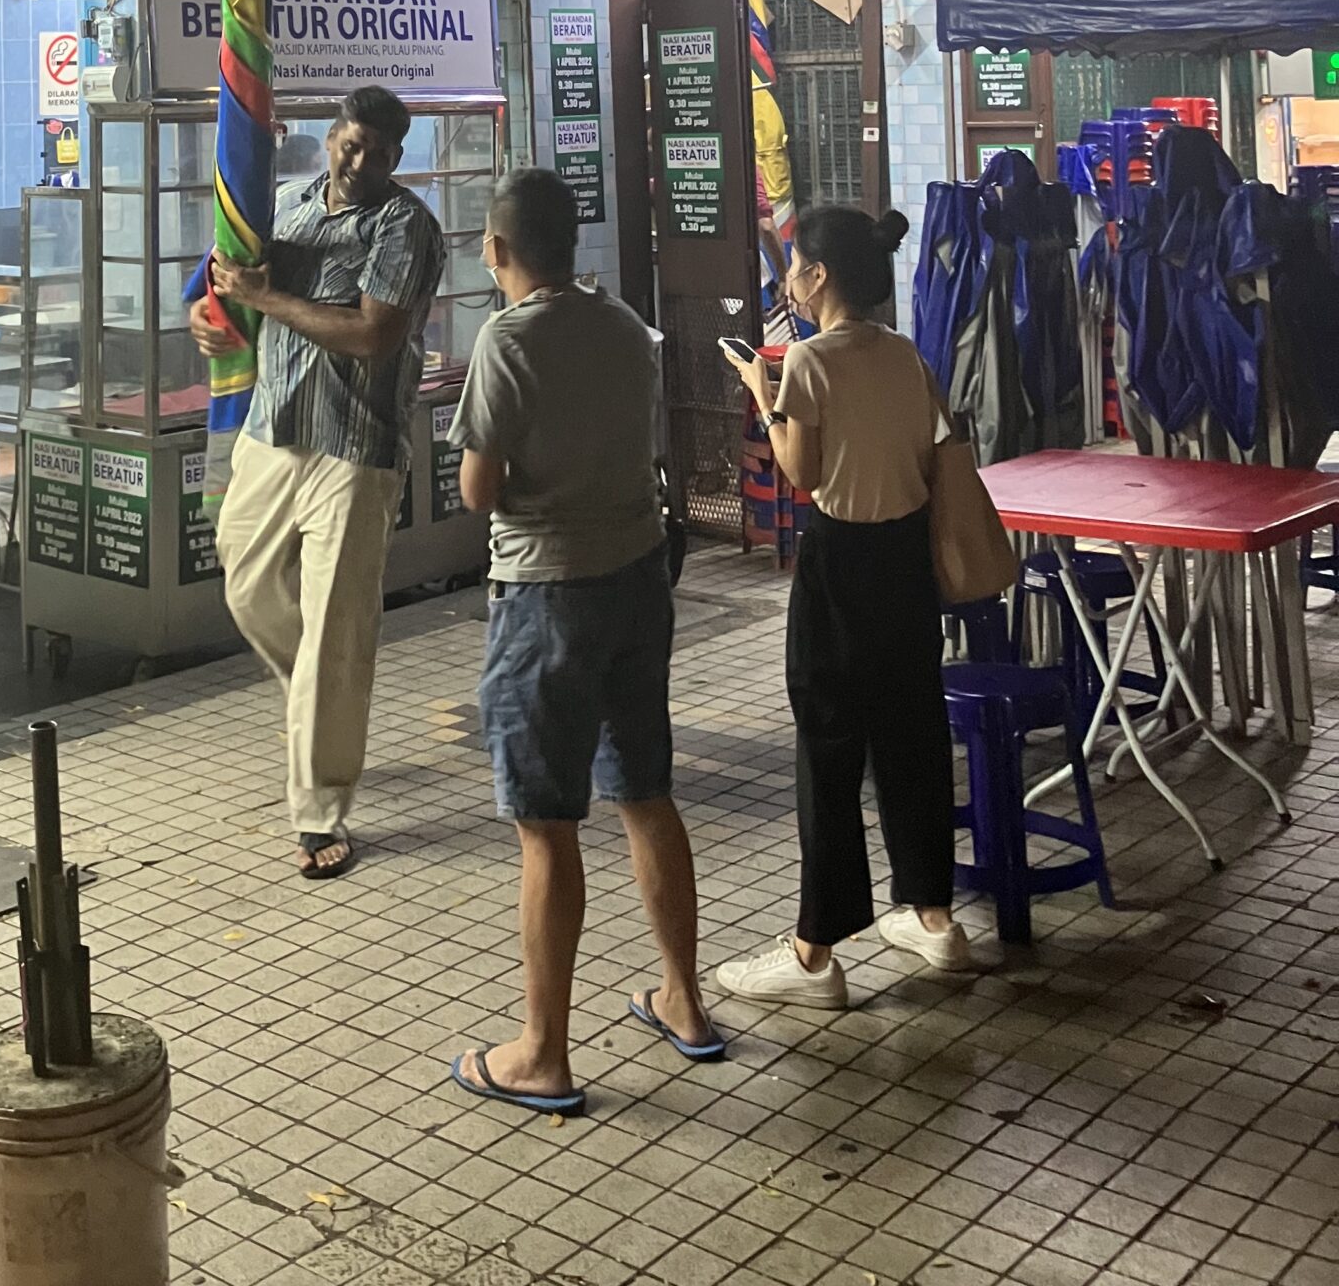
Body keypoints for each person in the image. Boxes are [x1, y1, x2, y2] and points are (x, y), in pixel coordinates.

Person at [447, 167, 718, 1118]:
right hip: (639, 578)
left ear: (497, 250)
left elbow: (480, 487)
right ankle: (684, 998)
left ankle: (543, 1054)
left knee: (546, 823)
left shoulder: (507, 339)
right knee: (646, 793)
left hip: (546, 593)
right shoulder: (620, 324)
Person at [720, 204, 972, 1007]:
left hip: (839, 561)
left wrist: (762, 394)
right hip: (905, 563)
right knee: (913, 729)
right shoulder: (905, 356)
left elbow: (801, 470)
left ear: (820, 276)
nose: (789, 278)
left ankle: (814, 954)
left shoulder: (807, 362)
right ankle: (934, 917)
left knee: (829, 744)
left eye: (795, 265)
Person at [192, 84, 444, 882]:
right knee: (247, 582)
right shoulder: (290, 207)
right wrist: (219, 320)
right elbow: (231, 301)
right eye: (350, 142)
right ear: (331, 136)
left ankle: (320, 805)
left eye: (377, 151)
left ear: (396, 159)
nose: (359, 159)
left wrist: (268, 297)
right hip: (273, 433)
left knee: (336, 622)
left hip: (354, 450)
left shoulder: (407, 226)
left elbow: (374, 333)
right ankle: (324, 703)